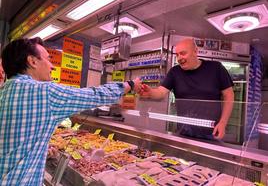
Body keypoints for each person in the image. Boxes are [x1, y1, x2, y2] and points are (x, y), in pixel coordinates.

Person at [0, 37, 141, 185]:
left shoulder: (4, 90)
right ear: (32, 61)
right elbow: (95, 95)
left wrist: (39, 149)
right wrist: (130, 84)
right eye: (48, 59)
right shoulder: (44, 92)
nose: (52, 66)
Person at [141, 38, 234, 140]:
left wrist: (223, 123)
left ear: (195, 51)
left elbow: (229, 94)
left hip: (212, 130)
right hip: (184, 130)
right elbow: (161, 92)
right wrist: (150, 92)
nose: (179, 58)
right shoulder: (174, 72)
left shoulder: (216, 68)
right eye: (177, 55)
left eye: (183, 53)